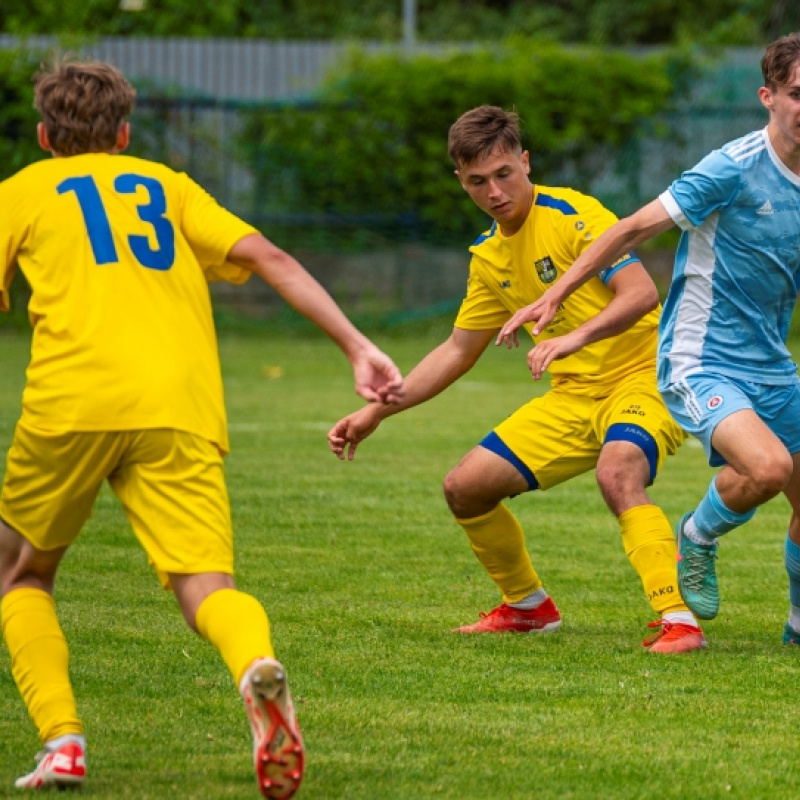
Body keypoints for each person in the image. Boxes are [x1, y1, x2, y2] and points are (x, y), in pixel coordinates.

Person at [0, 59, 404, 796]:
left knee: (20, 573)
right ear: (124, 132)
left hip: (71, 403)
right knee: (205, 584)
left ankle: (62, 742)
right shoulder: (166, 187)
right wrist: (357, 344)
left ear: (42, 135)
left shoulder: (19, 192)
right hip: (180, 406)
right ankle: (254, 665)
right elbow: (268, 256)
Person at [328, 104, 706, 655]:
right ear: (461, 181)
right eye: (478, 181)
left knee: (618, 471)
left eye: (504, 174)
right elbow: (457, 351)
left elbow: (642, 295)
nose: (495, 190)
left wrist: (572, 338)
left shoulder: (572, 215)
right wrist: (375, 411)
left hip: (645, 378)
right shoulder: (489, 257)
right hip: (573, 398)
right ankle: (528, 608)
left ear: (525, 162)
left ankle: (678, 620)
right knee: (465, 488)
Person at [495, 32, 800, 643]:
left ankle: (797, 626)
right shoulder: (731, 169)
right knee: (768, 468)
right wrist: (557, 294)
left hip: (772, 362)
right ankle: (696, 536)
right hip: (701, 358)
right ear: (769, 97)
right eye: (798, 93)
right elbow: (631, 229)